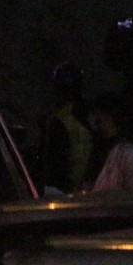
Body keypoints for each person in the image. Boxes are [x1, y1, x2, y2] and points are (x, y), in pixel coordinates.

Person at [38, 62, 92, 195]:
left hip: (65, 188)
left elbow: (54, 162)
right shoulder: (91, 113)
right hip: (88, 185)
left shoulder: (59, 119)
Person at [84, 93, 133, 192]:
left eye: (97, 114)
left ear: (108, 117)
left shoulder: (131, 154)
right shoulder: (95, 150)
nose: (93, 120)